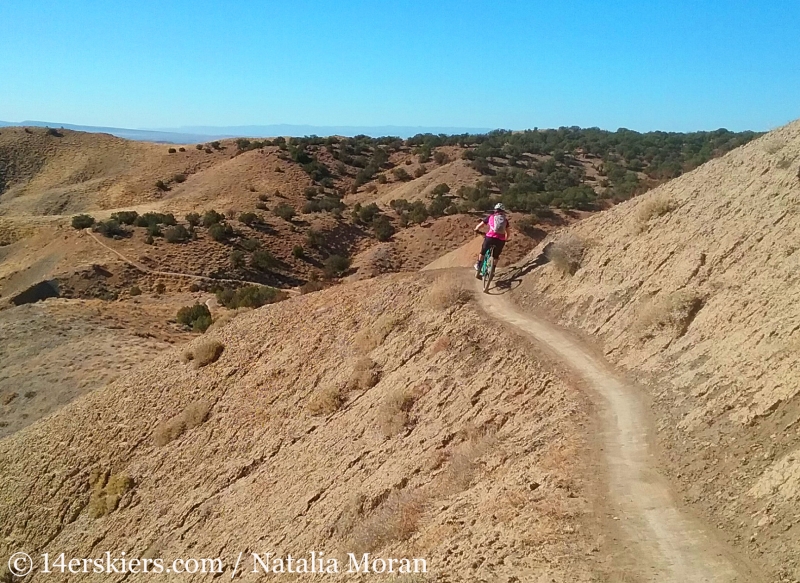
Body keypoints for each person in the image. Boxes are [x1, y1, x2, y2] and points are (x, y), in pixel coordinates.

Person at [474, 203, 510, 277]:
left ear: (495, 210)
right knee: (496, 256)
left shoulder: (491, 217)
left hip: (490, 237)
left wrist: (476, 229)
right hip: (500, 240)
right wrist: (505, 239)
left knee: (483, 252)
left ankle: (478, 265)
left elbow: (480, 225)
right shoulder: (505, 220)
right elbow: (508, 233)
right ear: (503, 211)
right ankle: (492, 270)